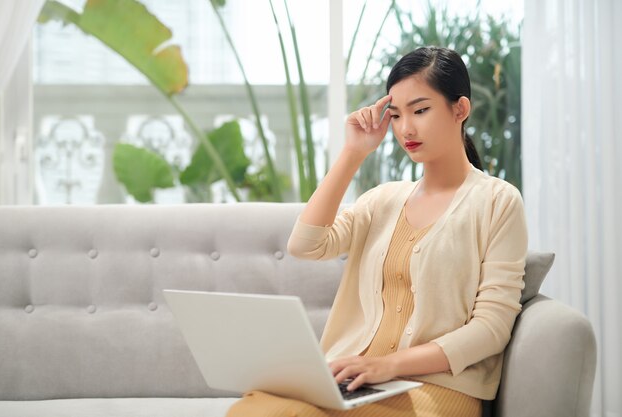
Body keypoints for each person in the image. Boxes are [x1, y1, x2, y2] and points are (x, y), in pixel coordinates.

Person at [226, 46, 527, 417]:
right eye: (396, 115)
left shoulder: (498, 201)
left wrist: (388, 366)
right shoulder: (381, 200)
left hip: (437, 386)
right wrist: (354, 152)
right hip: (355, 380)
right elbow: (305, 245)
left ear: (460, 109)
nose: (406, 129)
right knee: (253, 409)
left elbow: (491, 328)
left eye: (420, 110)